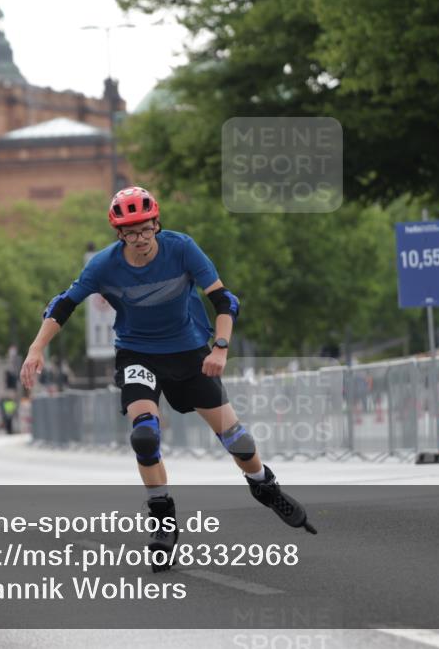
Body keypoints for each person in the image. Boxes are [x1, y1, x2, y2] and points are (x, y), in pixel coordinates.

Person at [20, 187, 315, 567]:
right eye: (130, 233)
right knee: (145, 435)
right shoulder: (104, 265)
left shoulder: (181, 248)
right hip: (137, 352)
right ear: (118, 235)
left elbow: (224, 300)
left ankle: (263, 485)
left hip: (190, 351)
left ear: (157, 224)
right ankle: (162, 518)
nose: (140, 240)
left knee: (237, 441)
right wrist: (36, 348)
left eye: (145, 229)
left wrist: (220, 347)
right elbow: (63, 305)